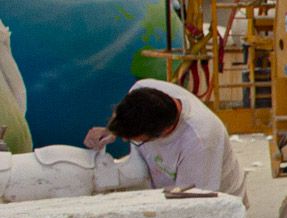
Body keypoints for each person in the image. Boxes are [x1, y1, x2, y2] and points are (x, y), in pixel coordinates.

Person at [86, 79, 247, 200]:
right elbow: (128, 110)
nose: (129, 142)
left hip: (216, 198)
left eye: (138, 140)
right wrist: (113, 129)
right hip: (171, 183)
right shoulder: (143, 89)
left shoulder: (200, 140)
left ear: (165, 131)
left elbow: (194, 204)